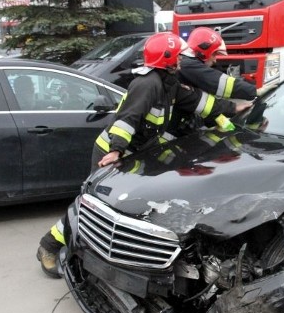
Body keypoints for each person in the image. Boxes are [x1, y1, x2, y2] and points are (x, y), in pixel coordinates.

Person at [36, 32, 252, 277]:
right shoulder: (147, 84)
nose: (183, 58)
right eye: (179, 55)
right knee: (92, 204)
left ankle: (99, 251)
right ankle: (49, 246)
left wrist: (235, 108)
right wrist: (116, 150)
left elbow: (199, 102)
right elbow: (128, 119)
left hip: (132, 154)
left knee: (119, 208)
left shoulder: (169, 83)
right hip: (112, 152)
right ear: (169, 59)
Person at [179, 27, 257, 101]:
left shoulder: (187, 62)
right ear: (203, 52)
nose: (215, 60)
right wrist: (254, 91)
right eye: (214, 54)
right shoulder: (188, 65)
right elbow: (220, 83)